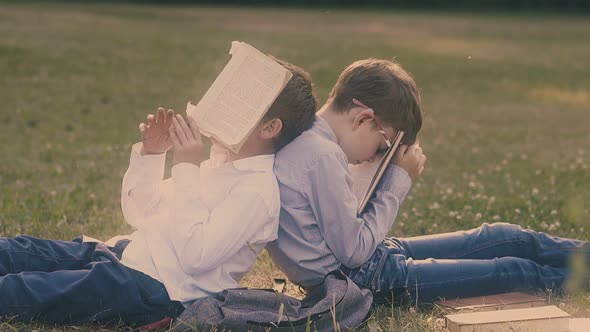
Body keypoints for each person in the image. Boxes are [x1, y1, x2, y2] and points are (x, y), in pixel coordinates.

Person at [0, 58, 317, 326]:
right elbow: (140, 213)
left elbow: (195, 257)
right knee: (19, 251)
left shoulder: (257, 193)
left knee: (25, 290)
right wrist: (153, 156)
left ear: (269, 128)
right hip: (125, 256)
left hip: (154, 289)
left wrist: (187, 168)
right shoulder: (220, 165)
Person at [267, 58, 590, 306]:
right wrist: (398, 179)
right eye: (384, 147)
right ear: (363, 119)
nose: (374, 157)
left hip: (372, 261)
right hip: (361, 279)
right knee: (514, 270)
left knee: (504, 236)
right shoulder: (322, 155)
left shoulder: (314, 141)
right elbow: (354, 252)